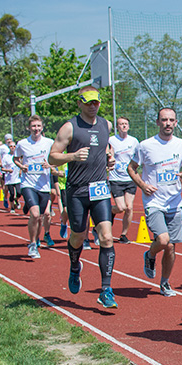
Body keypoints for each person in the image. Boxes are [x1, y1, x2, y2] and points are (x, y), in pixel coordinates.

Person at [48, 86, 118, 309]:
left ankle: (106, 290)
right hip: (77, 191)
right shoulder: (70, 127)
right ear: (79, 103)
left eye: (96, 102)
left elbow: (107, 146)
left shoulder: (106, 124)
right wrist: (73, 156)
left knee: (106, 237)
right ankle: (75, 264)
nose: (92, 106)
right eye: (88, 102)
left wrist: (110, 158)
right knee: (78, 236)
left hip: (100, 190)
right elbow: (52, 157)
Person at [128, 107, 182, 297]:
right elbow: (131, 168)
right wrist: (142, 185)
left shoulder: (181, 145)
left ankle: (165, 283)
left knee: (171, 247)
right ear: (158, 122)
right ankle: (150, 255)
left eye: (171, 120)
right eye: (164, 120)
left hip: (175, 202)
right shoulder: (145, 145)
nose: (168, 123)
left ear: (176, 123)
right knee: (164, 240)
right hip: (154, 202)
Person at [14, 115, 55, 258]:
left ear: (42, 127)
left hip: (43, 185)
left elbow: (57, 158)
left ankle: (36, 238)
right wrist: (21, 166)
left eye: (38, 126)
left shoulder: (49, 142)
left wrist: (49, 165)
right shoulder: (22, 143)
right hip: (28, 183)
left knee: (41, 217)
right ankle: (32, 245)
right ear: (28, 128)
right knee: (35, 214)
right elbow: (16, 158)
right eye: (33, 126)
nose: (36, 129)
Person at [108, 116, 140, 243]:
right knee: (120, 207)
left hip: (130, 177)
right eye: (121, 124)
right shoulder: (112, 140)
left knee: (129, 208)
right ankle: (110, 211)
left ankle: (124, 234)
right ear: (117, 127)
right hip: (116, 178)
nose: (124, 126)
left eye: (126, 124)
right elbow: (108, 153)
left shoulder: (134, 141)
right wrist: (110, 158)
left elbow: (138, 157)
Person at [0, 141, 22, 212]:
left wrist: (21, 171)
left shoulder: (18, 156)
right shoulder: (6, 157)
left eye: (14, 146)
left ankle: (17, 200)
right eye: (11, 146)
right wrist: (8, 170)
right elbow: (2, 168)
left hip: (17, 178)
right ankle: (12, 207)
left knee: (19, 192)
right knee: (12, 193)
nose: (12, 148)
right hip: (9, 178)